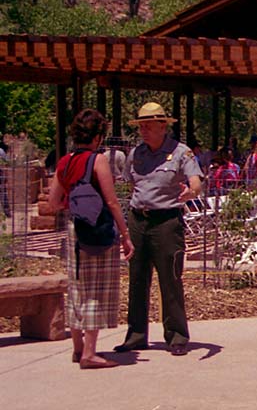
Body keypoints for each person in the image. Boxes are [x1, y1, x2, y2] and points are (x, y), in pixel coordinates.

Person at [47, 110, 134, 368]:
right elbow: (111, 200)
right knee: (97, 288)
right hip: (98, 229)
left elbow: (53, 201)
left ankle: (77, 349)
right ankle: (90, 353)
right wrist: (125, 234)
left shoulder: (65, 161)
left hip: (75, 229)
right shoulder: (97, 161)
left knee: (77, 287)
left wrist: (76, 204)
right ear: (97, 136)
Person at [116, 102, 202, 355]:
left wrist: (190, 192)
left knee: (170, 279)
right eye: (141, 126)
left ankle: (176, 336)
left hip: (166, 222)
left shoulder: (181, 152)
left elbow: (196, 182)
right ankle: (136, 335)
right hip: (138, 220)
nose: (143, 131)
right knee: (137, 278)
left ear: (163, 126)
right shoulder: (137, 154)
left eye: (148, 126)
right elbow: (131, 183)